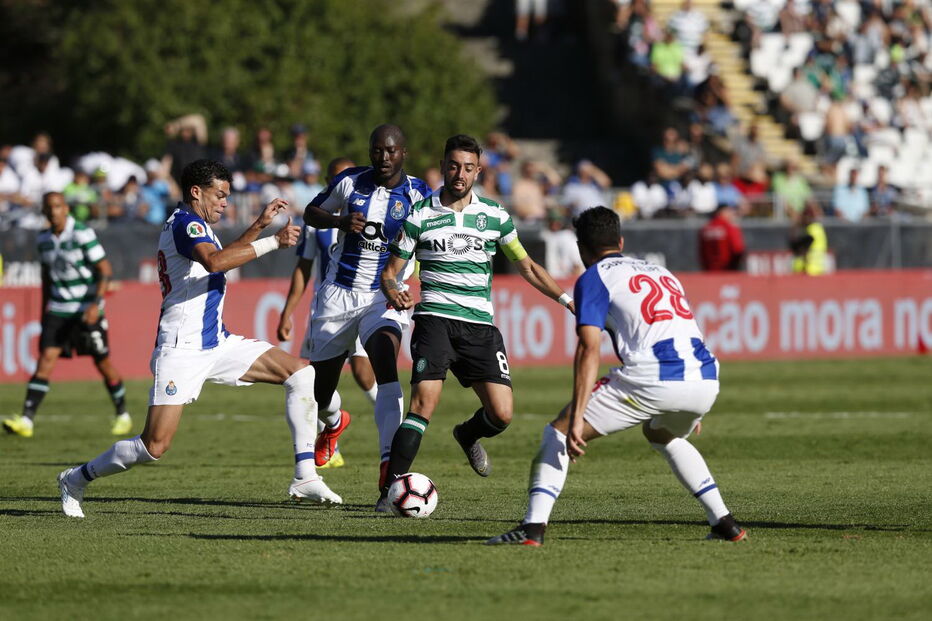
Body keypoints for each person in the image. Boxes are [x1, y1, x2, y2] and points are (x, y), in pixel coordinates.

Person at [56, 159, 340, 519]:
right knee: (154, 446)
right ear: (196, 192)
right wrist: (272, 241)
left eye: (226, 195)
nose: (224, 202)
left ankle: (305, 475)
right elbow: (216, 263)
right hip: (181, 348)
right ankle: (75, 479)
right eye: (219, 195)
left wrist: (258, 225)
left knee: (300, 372)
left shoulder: (198, 225)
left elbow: (223, 255)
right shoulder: (185, 224)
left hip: (217, 342)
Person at [486, 206, 746, 546]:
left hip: (654, 377)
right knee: (660, 433)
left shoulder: (594, 277)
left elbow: (588, 349)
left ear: (581, 249)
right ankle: (725, 523)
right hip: (704, 376)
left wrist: (577, 415)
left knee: (558, 432)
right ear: (620, 241)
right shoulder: (661, 272)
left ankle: (532, 528)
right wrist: (689, 400)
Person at [379, 134, 575, 511]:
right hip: (435, 321)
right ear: (443, 167)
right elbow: (390, 273)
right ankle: (388, 494)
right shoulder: (420, 214)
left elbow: (527, 266)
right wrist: (394, 291)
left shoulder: (495, 216)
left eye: (468, 168)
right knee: (423, 404)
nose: (460, 174)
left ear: (478, 172)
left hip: (480, 327)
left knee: (502, 414)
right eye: (454, 166)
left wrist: (567, 300)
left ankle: (467, 434)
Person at [301, 125, 431, 491]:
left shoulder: (419, 194)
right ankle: (333, 422)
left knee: (385, 369)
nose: (384, 157)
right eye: (377, 150)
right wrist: (339, 221)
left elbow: (432, 240)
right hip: (338, 294)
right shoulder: (349, 182)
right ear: (370, 151)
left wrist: (416, 289)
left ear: (403, 153)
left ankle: (390, 469)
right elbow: (311, 213)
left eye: (391, 151)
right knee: (319, 394)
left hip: (383, 296)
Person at [3, 192, 132, 439]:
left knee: (102, 363)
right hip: (58, 310)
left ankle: (122, 414)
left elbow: (105, 270)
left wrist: (96, 305)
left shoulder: (81, 233)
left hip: (85, 310)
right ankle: (26, 420)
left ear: (66, 209)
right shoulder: (43, 239)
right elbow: (46, 278)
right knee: (45, 360)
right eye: (49, 207)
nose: (54, 211)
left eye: (58, 206)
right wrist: (43, 313)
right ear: (44, 211)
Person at [277, 157, 378, 469]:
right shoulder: (316, 224)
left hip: (362, 303)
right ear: (328, 183)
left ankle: (393, 428)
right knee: (313, 383)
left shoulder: (372, 215)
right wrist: (287, 312)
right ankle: (330, 441)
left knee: (363, 370)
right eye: (337, 178)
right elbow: (303, 269)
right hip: (326, 308)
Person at [699, 204, 745, 271]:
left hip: (709, 270)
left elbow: (701, 251)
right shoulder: (729, 227)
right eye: (729, 211)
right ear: (722, 212)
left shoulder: (705, 228)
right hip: (727, 270)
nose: (731, 214)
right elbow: (737, 249)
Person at [790, 202, 828, 276]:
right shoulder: (818, 228)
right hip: (817, 268)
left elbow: (802, 248)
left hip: (808, 269)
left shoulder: (809, 230)